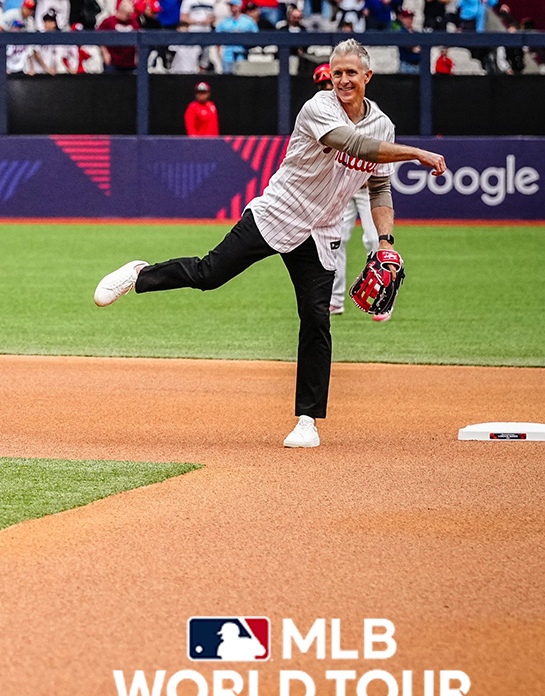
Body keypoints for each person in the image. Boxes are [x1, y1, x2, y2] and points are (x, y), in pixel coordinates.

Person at [93, 40, 447, 448]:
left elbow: (379, 184)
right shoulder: (320, 108)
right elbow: (352, 145)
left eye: (352, 73)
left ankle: (307, 421)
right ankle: (140, 275)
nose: (344, 80)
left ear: (368, 76)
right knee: (210, 274)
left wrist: (385, 240)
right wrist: (416, 153)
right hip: (279, 212)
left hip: (321, 230)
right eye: (338, 73)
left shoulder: (383, 125)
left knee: (316, 319)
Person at [313, 62, 375, 317]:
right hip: (341, 190)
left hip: (366, 187)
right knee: (335, 243)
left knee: (373, 240)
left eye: (330, 83)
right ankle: (335, 300)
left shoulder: (364, 111)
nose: (329, 88)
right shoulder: (320, 113)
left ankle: (378, 301)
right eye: (323, 85)